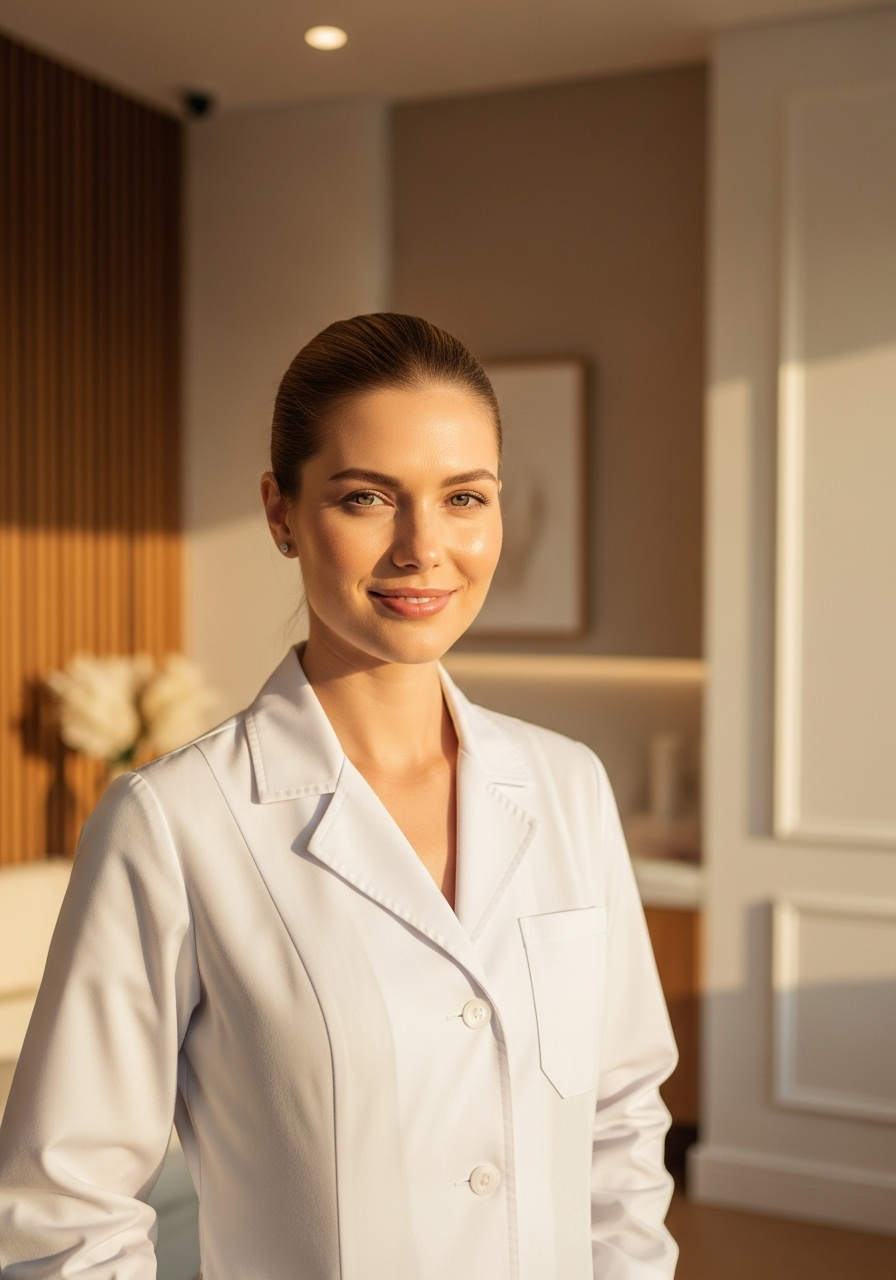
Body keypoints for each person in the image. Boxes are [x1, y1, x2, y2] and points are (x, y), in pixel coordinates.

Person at [0, 314, 678, 1279]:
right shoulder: (174, 823)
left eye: (463, 497)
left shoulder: (568, 787)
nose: (423, 547)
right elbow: (63, 1206)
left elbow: (619, 1119)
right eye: (367, 498)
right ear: (282, 513)